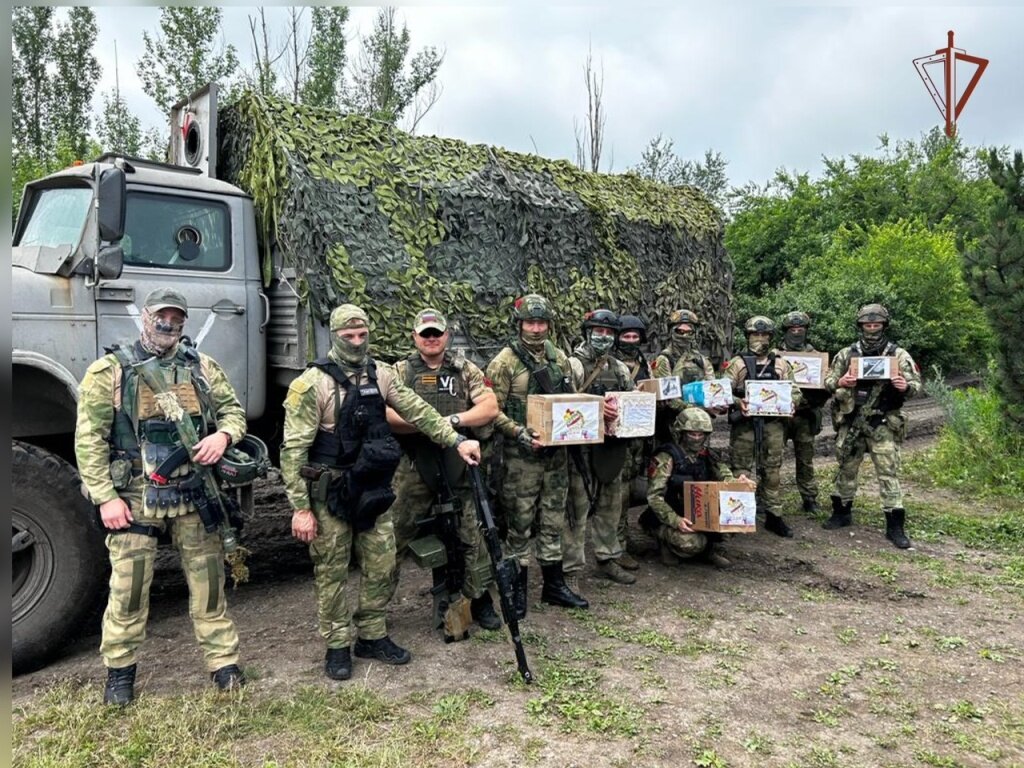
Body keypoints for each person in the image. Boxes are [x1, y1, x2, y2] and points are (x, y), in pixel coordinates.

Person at [281, 304, 482, 681]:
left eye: (362, 335)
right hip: (330, 492)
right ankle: (338, 644)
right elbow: (293, 450)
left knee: (381, 564)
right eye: (348, 336)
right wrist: (300, 508)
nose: (357, 342)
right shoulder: (312, 384)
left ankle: (372, 634)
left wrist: (456, 440)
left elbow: (419, 412)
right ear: (335, 337)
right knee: (332, 571)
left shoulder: (382, 375)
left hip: (372, 489)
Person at [75, 288, 248, 705]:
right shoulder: (110, 372)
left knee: (209, 584)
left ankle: (223, 662)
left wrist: (223, 437)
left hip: (194, 492)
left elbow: (234, 412)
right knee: (129, 588)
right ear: (145, 317)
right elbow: (89, 439)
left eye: (177, 319)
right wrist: (105, 497)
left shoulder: (202, 367)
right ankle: (120, 671)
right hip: (135, 494)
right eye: (162, 317)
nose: (169, 325)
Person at [385, 308, 501, 632]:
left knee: (472, 535)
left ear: (447, 336)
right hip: (413, 464)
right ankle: (374, 613)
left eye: (437, 333)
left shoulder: (464, 369)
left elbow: (489, 407)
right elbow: (388, 415)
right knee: (393, 535)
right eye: (426, 334)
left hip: (459, 459)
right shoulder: (400, 371)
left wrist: (451, 423)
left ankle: (477, 599)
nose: (432, 339)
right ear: (415, 337)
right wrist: (427, 427)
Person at [486, 293, 589, 618]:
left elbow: (570, 401)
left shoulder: (558, 357)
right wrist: (518, 433)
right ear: (519, 325)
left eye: (541, 322)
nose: (535, 328)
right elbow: (491, 411)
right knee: (519, 525)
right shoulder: (504, 362)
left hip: (556, 456)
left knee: (553, 520)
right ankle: (517, 592)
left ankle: (554, 586)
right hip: (520, 460)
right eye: (530, 322)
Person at [823, 304, 921, 548]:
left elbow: (916, 383)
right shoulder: (847, 354)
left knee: (888, 472)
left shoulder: (898, 354)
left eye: (876, 325)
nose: (872, 329)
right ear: (861, 326)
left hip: (883, 422)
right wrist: (841, 381)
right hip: (853, 420)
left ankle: (895, 525)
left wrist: (904, 386)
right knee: (846, 468)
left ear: (884, 325)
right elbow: (827, 381)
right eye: (868, 325)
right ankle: (841, 513)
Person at [565, 309, 633, 585]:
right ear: (587, 333)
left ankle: (607, 557)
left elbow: (629, 403)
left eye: (608, 333)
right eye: (598, 331)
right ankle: (570, 571)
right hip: (579, 447)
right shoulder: (573, 365)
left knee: (610, 505)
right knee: (576, 510)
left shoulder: (619, 368)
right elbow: (563, 404)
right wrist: (596, 409)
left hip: (611, 446)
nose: (603, 337)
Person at [723, 316, 803, 538]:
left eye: (764, 335)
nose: (760, 339)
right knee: (740, 468)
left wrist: (791, 403)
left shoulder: (780, 363)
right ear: (748, 336)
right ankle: (738, 518)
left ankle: (773, 515)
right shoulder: (737, 363)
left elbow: (795, 390)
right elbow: (722, 391)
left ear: (770, 337)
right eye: (755, 335)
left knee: (772, 469)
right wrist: (739, 402)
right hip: (745, 425)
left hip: (773, 425)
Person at [641, 409, 753, 567]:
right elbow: (654, 497)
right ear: (682, 433)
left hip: (699, 512)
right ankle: (664, 541)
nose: (697, 439)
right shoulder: (666, 457)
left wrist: (738, 483)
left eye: (701, 435)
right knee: (692, 543)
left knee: (731, 526)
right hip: (670, 514)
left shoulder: (707, 454)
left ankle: (708, 550)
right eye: (692, 434)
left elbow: (725, 476)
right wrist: (675, 521)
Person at [779, 311, 831, 514]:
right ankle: (765, 497)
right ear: (786, 331)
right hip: (780, 415)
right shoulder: (776, 356)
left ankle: (809, 498)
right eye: (792, 329)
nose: (796, 332)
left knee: (805, 459)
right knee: (770, 458)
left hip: (805, 414)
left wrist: (816, 397)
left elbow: (827, 388)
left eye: (800, 329)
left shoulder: (816, 357)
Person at [612, 313, 653, 567]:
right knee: (620, 493)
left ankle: (624, 537)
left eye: (634, 336)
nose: (630, 340)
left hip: (640, 435)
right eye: (625, 336)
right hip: (617, 437)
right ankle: (617, 546)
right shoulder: (611, 364)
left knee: (632, 487)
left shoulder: (647, 364)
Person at [651, 309, 721, 441]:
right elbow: (668, 398)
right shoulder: (665, 359)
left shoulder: (701, 360)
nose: (684, 336)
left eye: (689, 332)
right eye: (680, 331)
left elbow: (712, 387)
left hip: (698, 424)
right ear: (672, 332)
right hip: (672, 423)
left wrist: (718, 402)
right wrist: (697, 408)